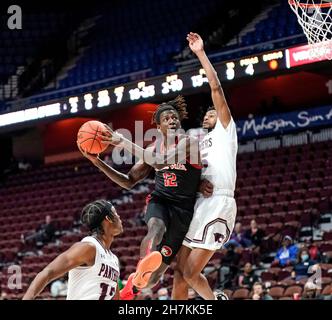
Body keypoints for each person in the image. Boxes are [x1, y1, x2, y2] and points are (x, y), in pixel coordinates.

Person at [78, 95, 205, 293]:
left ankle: (134, 287)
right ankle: (141, 267)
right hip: (160, 201)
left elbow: (161, 162)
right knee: (156, 227)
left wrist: (123, 142)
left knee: (153, 279)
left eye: (174, 117)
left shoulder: (189, 143)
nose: (172, 120)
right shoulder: (152, 148)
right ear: (159, 127)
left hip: (183, 210)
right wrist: (97, 162)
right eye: (166, 119)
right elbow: (128, 181)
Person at [169, 32, 238, 300]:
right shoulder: (197, 143)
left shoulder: (226, 129)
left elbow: (216, 89)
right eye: (207, 113)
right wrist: (196, 183)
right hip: (199, 203)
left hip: (219, 202)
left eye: (214, 112)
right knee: (178, 272)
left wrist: (200, 54)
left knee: (189, 272)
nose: (211, 113)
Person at [23, 200, 124, 300]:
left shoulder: (113, 259)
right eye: (115, 213)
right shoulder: (89, 247)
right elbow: (48, 272)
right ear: (108, 218)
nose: (119, 217)